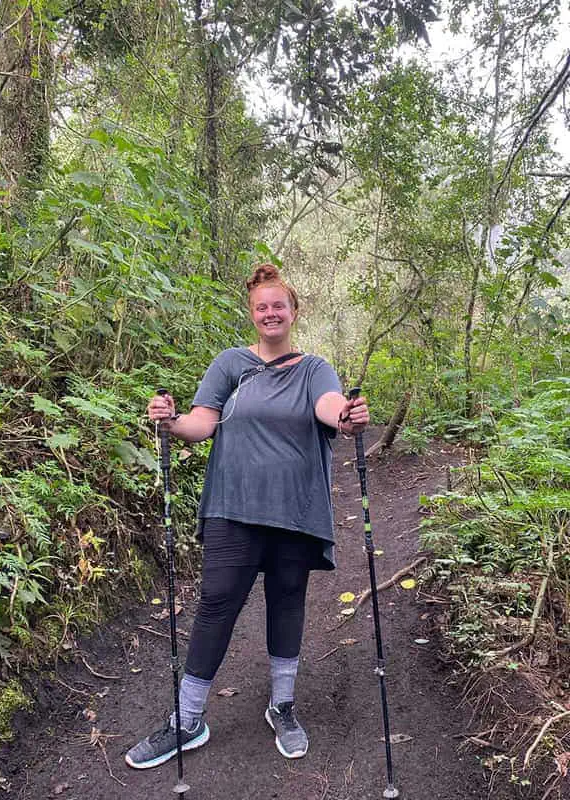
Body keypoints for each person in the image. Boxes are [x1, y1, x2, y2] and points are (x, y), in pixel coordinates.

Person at [125, 264, 369, 770]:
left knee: (286, 603)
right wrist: (169, 421)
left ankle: (282, 706)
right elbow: (200, 425)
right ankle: (187, 719)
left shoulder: (315, 368)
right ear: (252, 313)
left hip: (295, 512)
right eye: (262, 306)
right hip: (232, 508)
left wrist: (346, 417)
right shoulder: (231, 364)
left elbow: (329, 408)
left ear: (294, 311)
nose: (271, 313)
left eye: (279, 305)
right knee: (216, 604)